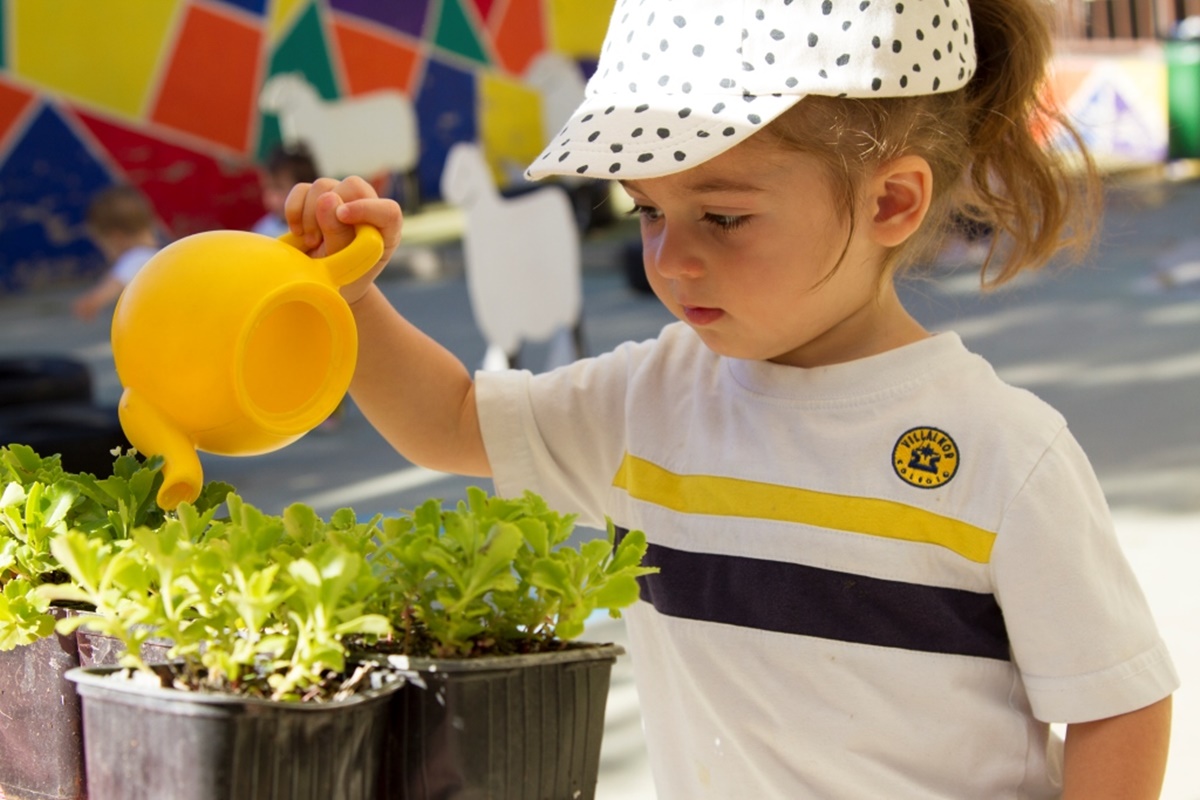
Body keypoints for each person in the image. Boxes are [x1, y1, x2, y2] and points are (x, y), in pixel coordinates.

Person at [284, 0, 1179, 796]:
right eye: (647, 211)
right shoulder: (649, 400)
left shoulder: (1003, 453)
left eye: (722, 216)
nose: (671, 260)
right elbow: (449, 422)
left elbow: (1118, 703)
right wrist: (355, 296)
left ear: (893, 202)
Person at [72, 184, 160, 322]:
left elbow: (117, 281)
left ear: (116, 238)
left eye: (102, 243)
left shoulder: (135, 259)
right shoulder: (161, 256)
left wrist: (94, 300)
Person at [253, 144, 320, 238]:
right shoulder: (262, 232)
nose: (271, 198)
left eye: (279, 188)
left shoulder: (321, 226)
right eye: (267, 188)